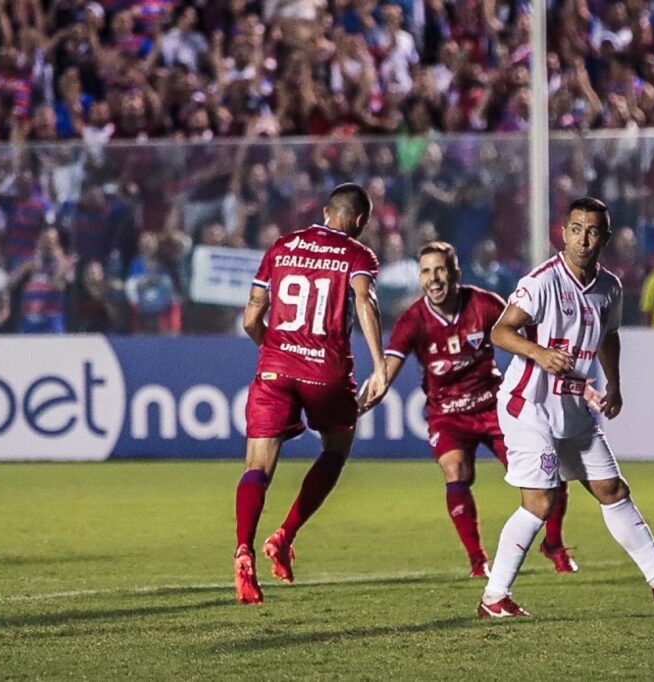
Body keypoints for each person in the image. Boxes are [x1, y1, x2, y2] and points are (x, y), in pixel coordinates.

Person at [478, 197, 654, 618]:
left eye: (592, 231)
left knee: (613, 490)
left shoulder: (610, 287)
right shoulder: (542, 282)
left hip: (573, 406)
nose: (583, 239)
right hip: (529, 405)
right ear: (564, 232)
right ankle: (494, 597)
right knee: (539, 503)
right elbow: (500, 331)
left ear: (604, 237)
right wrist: (539, 352)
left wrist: (616, 386)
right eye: (576, 229)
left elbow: (609, 336)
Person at [364, 241, 578, 578]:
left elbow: (525, 336)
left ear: (455, 273)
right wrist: (371, 392)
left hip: (495, 407)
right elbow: (389, 365)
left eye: (439, 270)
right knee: (456, 471)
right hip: (447, 415)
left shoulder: (484, 304)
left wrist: (545, 357)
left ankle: (553, 543)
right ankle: (478, 562)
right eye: (426, 272)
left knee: (546, 476)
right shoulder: (413, 320)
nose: (433, 279)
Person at [234, 183, 388, 605]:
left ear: (324, 212)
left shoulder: (281, 248)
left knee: (257, 467)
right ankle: (283, 536)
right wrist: (379, 365)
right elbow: (364, 299)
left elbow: (251, 318)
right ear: (360, 221)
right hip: (327, 371)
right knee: (336, 449)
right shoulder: (358, 255)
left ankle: (243, 550)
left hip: (275, 366)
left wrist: (274, 349)